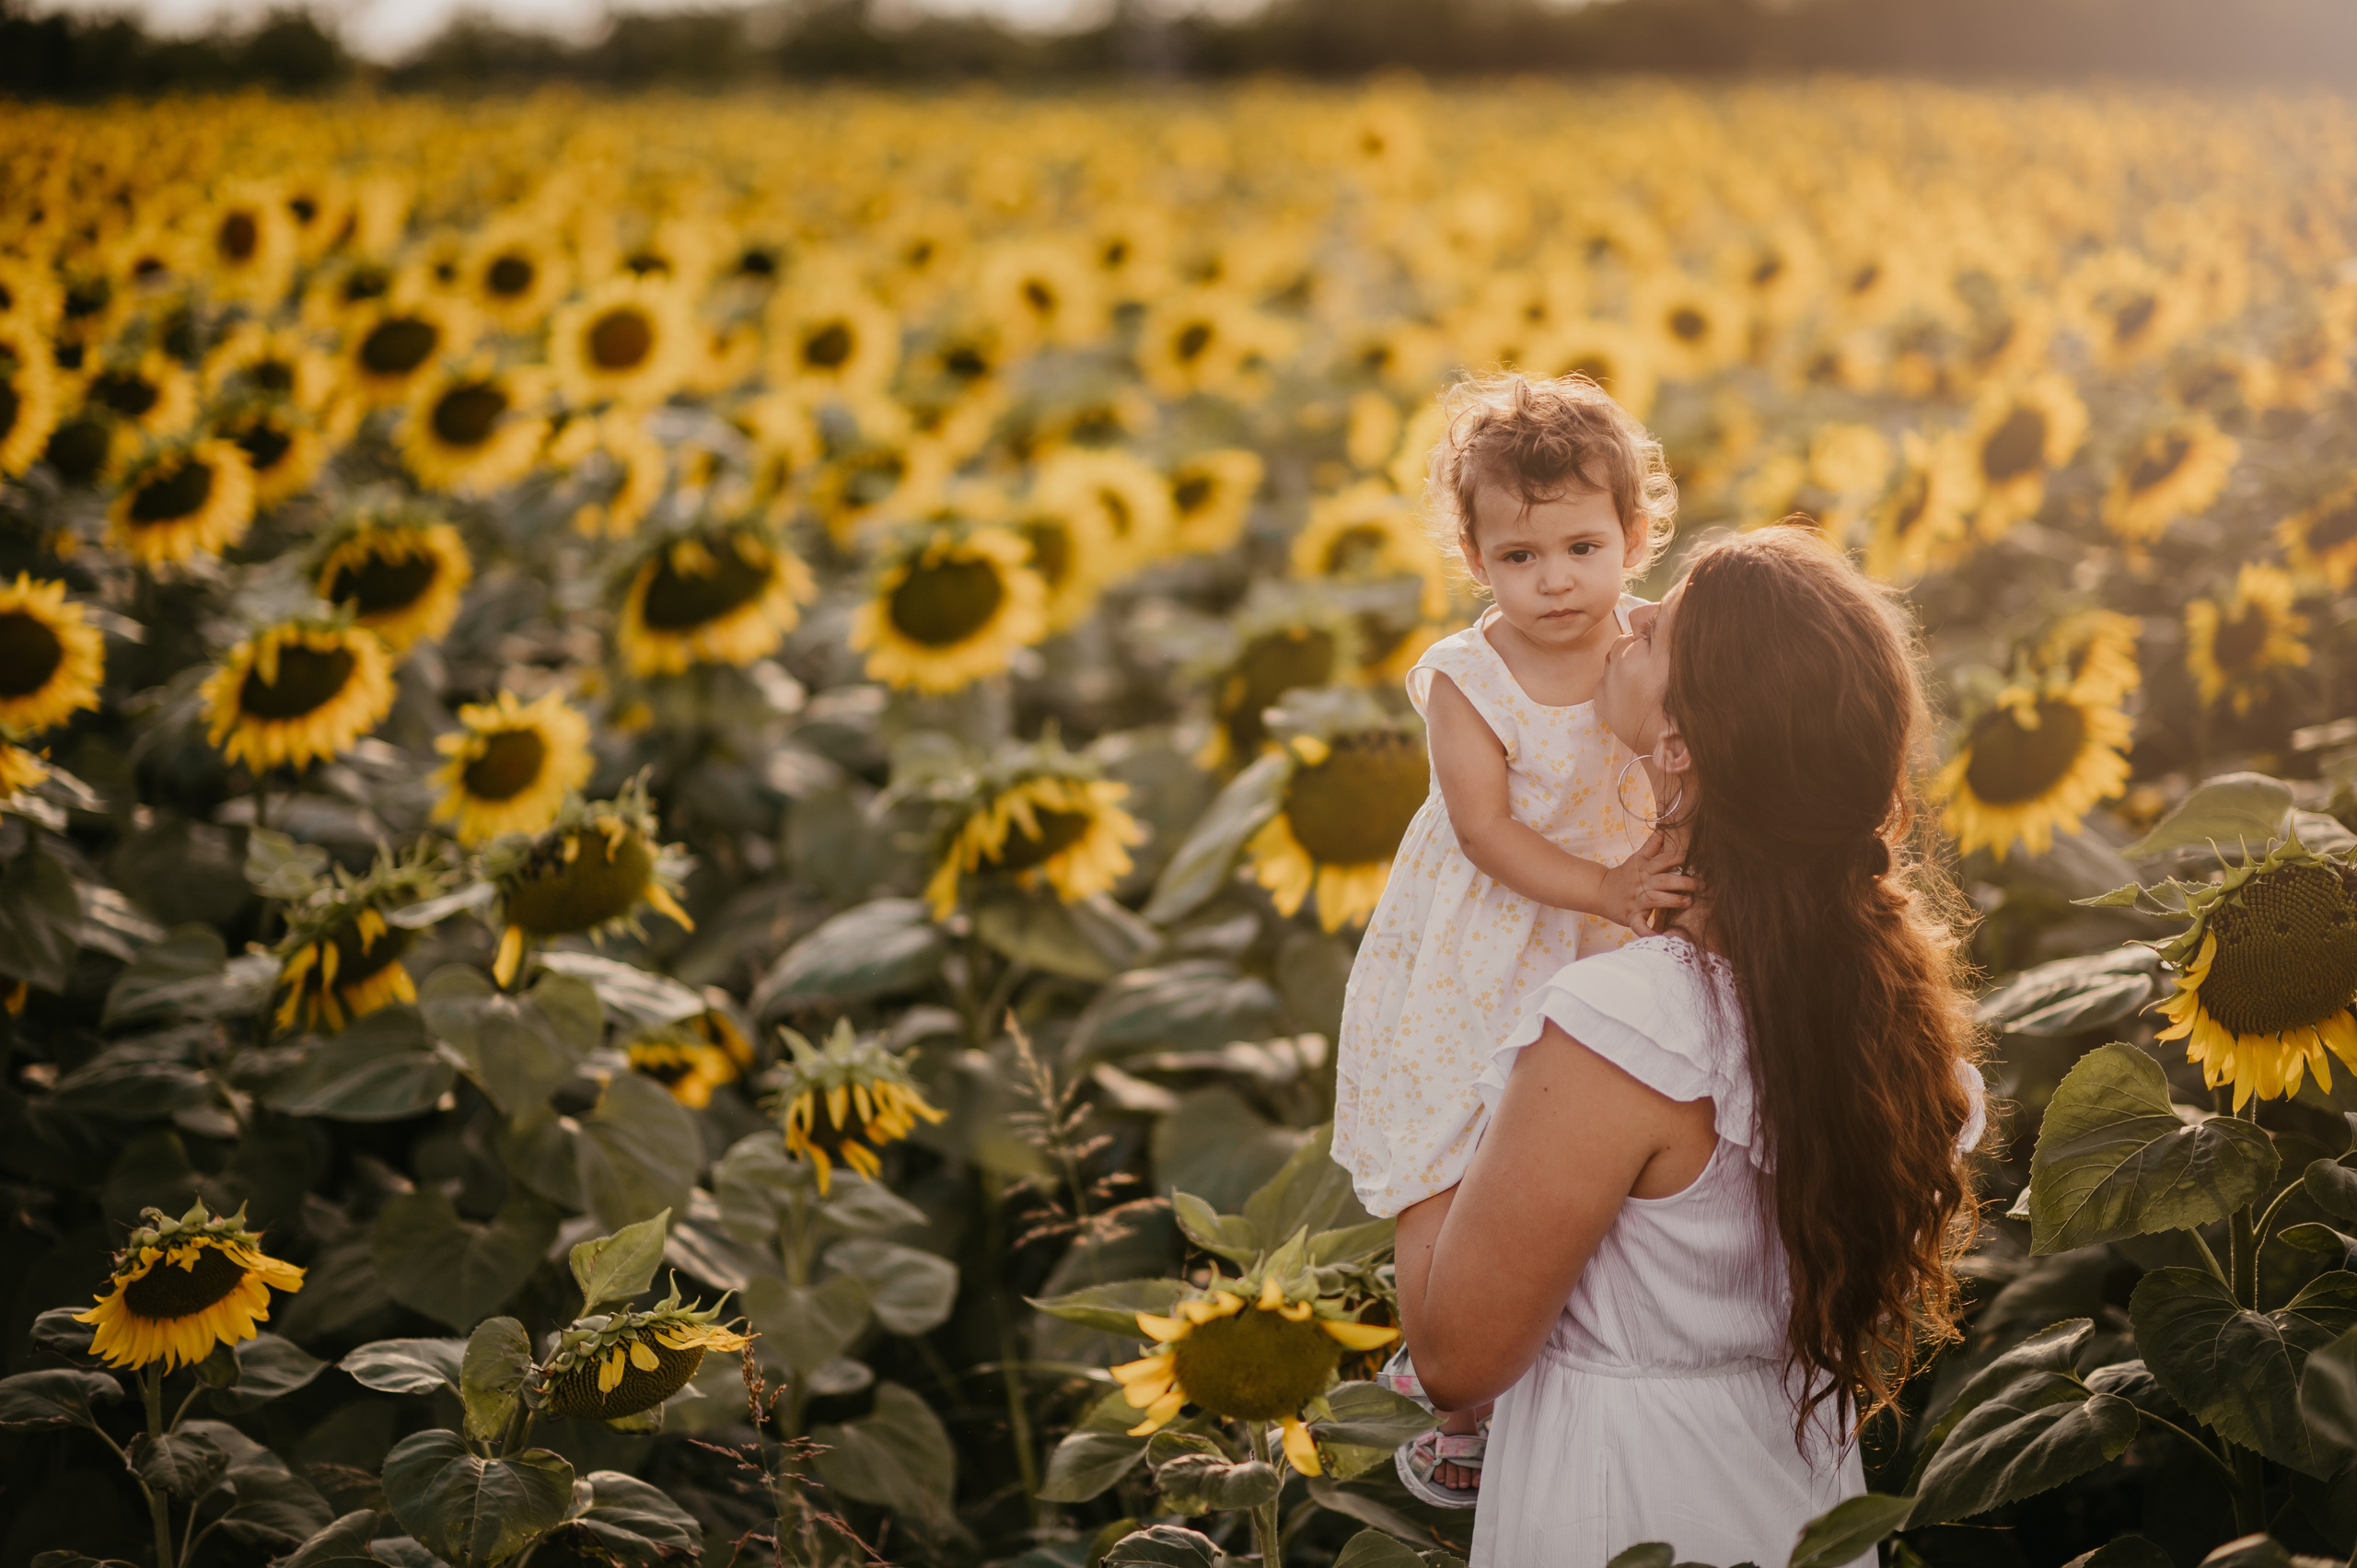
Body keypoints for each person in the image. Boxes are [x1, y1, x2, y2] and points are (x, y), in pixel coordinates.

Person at [1391, 527, 1988, 1564]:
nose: (1630, 615)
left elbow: (1455, 1357)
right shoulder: (1879, 1002)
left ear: (1677, 742)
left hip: (1621, 1501)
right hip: (1795, 1489)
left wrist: (1415, 1094)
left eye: (1661, 627)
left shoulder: (1625, 1026)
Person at [1332, 371, 1696, 1505]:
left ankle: (1567, 1342)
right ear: (1475, 557)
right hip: (1488, 938)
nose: (1554, 582)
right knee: (1449, 1146)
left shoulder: (1650, 638)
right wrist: (1606, 883)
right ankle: (1451, 1396)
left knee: (1577, 1155)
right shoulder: (1467, 676)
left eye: (1582, 547)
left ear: (1637, 536)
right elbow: (1485, 831)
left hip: (1616, 922)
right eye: (1518, 559)